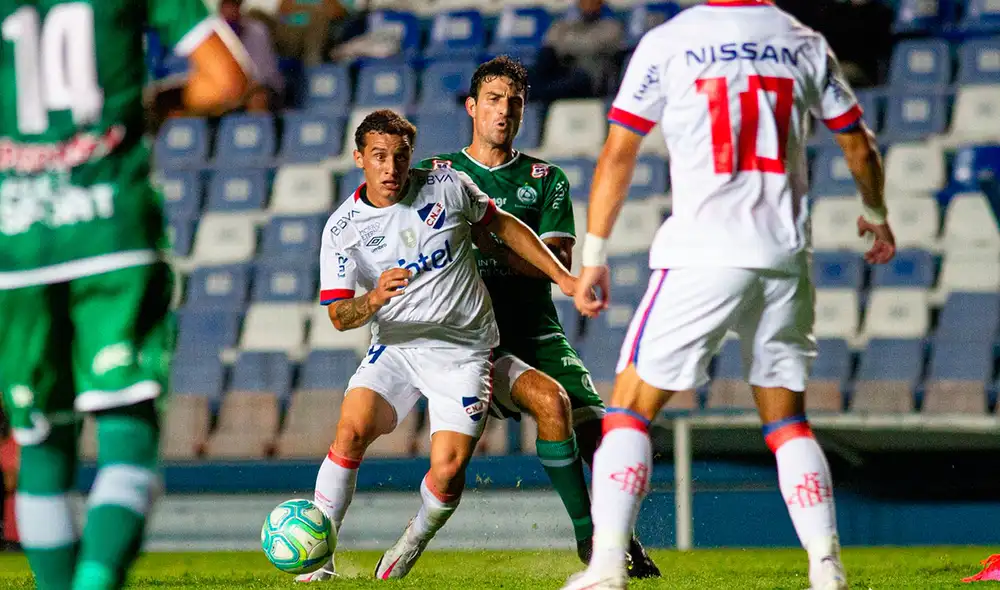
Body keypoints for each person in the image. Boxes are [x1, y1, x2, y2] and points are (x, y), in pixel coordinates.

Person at [562, 1, 896, 589]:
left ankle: (608, 566)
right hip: (784, 257)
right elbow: (859, 147)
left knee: (629, 409)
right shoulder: (801, 40)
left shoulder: (670, 41)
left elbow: (618, 151)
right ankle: (826, 567)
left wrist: (593, 256)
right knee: (787, 423)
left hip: (703, 252)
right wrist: (875, 213)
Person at [0, 2, 249, 588]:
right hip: (113, 235)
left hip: (17, 249)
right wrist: (153, 106)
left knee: (42, 449)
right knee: (126, 436)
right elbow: (226, 79)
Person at [297, 109, 579, 582]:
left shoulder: (447, 186)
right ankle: (319, 558)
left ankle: (413, 539)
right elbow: (339, 316)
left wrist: (562, 275)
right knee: (350, 430)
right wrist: (374, 298)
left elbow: (505, 226)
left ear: (412, 156)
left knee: (447, 471)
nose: (391, 168)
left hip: (464, 354)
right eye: (379, 156)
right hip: (397, 348)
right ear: (359, 159)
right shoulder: (343, 229)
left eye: (400, 156)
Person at [416, 56, 660, 579]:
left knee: (607, 441)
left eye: (514, 102)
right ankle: (592, 540)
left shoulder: (545, 179)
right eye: (493, 100)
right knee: (548, 407)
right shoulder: (435, 174)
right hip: (471, 335)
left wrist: (489, 239)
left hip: (537, 329)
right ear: (472, 107)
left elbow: (554, 264)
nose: (504, 111)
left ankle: (621, 536)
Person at [530, 0, 624, 102]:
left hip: (590, 77)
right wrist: (570, 42)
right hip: (564, 70)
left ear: (600, 3)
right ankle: (531, 91)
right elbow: (549, 41)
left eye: (592, 2)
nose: (588, 5)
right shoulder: (566, 23)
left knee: (561, 84)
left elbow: (590, 45)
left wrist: (566, 42)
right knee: (546, 54)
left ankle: (534, 93)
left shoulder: (611, 26)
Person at [220, 0, 286, 111]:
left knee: (257, 98)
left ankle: (257, 123)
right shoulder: (214, 34)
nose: (230, 11)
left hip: (264, 87)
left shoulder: (257, 30)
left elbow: (261, 75)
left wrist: (240, 93)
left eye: (234, 6)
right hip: (230, 89)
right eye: (226, 6)